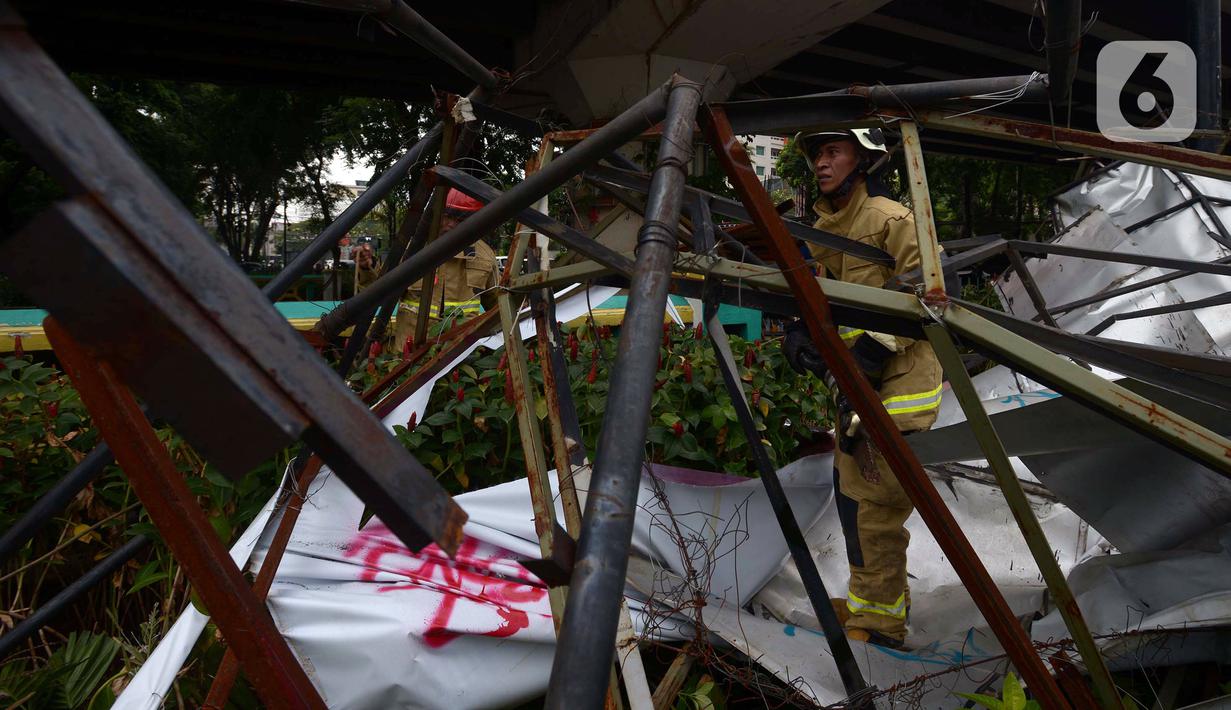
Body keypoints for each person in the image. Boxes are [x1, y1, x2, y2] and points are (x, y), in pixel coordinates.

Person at [782, 128, 943, 650]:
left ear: (863, 161)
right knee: (850, 499)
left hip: (899, 384)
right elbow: (818, 297)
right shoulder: (826, 230)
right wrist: (800, 333)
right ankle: (869, 600)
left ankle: (880, 627)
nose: (821, 165)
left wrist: (871, 351)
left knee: (874, 507)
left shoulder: (889, 219)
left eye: (832, 152)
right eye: (817, 156)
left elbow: (933, 290)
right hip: (857, 386)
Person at [393, 189, 499, 350]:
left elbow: (499, 306)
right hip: (409, 355)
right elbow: (377, 293)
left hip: (459, 356)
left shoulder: (484, 256)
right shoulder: (414, 250)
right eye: (447, 216)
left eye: (459, 219)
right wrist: (367, 267)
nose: (450, 225)